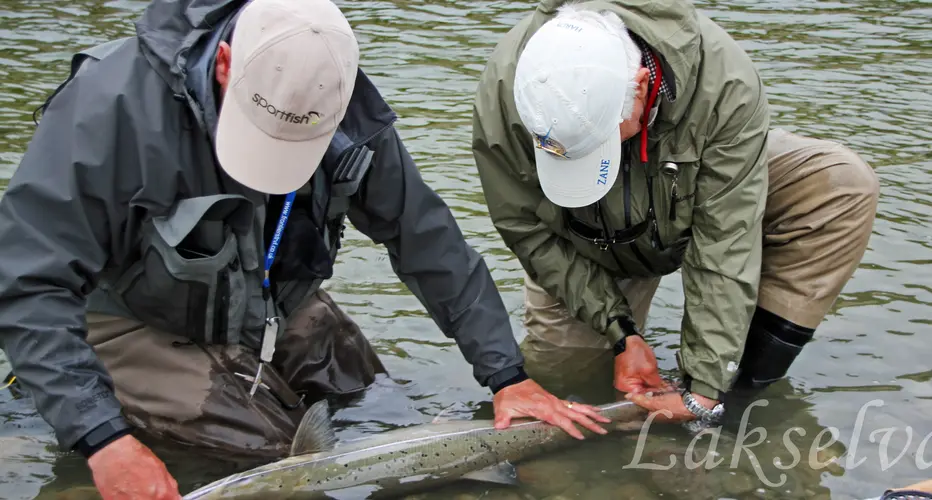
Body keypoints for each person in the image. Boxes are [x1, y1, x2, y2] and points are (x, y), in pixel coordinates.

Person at [0, 0, 611, 498]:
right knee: (285, 469)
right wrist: (102, 440)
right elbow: (27, 284)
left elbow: (424, 236)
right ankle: (73, 395)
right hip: (131, 321)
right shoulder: (107, 110)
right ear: (225, 64)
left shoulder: (341, 100)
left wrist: (506, 375)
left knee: (378, 407)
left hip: (267, 300)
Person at [471, 0, 880, 429]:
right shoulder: (505, 89)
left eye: (596, 147)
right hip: (586, 236)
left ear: (641, 85)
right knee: (564, 380)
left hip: (691, 188)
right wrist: (620, 331)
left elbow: (725, 236)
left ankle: (739, 398)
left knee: (842, 184)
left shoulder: (725, 83)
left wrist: (706, 384)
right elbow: (526, 227)